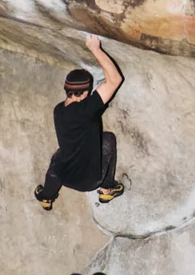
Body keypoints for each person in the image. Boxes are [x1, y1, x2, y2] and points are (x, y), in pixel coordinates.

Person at [35, 33, 126, 210]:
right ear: (85, 93)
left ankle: (46, 197)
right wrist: (95, 49)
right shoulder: (87, 110)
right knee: (108, 139)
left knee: (58, 156)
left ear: (66, 89)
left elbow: (84, 112)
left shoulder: (59, 110)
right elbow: (115, 80)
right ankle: (106, 189)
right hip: (89, 181)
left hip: (64, 175)